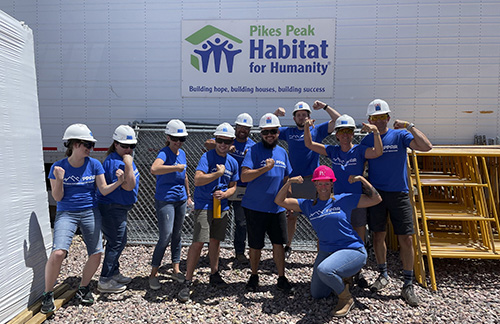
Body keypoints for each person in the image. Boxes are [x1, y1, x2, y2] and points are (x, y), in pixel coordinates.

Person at [275, 166, 382, 317]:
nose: (323, 187)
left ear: (332, 184)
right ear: (315, 185)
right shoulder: (308, 205)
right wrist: (289, 183)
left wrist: (362, 179)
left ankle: (346, 297)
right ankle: (340, 279)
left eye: (326, 183)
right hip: (327, 251)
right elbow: (279, 200)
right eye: (319, 183)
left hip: (352, 249)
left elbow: (376, 199)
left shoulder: (343, 199)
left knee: (325, 270)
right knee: (317, 293)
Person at [41, 124, 125, 314]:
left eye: (91, 145)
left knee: (96, 253)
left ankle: (84, 287)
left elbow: (103, 190)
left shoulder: (94, 164)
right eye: (86, 144)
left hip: (90, 211)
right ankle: (47, 293)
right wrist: (60, 180)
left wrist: (119, 182)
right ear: (74, 144)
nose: (90, 148)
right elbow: (58, 198)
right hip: (66, 213)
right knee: (58, 253)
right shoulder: (58, 167)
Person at [360, 99, 432, 306]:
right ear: (369, 120)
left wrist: (409, 125)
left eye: (383, 117)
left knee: (406, 239)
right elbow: (358, 162)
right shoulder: (367, 140)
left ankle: (407, 284)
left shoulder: (399, 135)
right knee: (378, 236)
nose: (380, 121)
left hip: (399, 193)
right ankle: (383, 274)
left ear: (389, 118)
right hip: (377, 195)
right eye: (375, 118)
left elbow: (426, 147)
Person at [303, 113, 383, 287]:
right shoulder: (333, 151)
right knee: (331, 235)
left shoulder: (360, 150)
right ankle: (331, 269)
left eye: (349, 131)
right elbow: (309, 144)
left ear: (353, 134)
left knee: (358, 234)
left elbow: (377, 152)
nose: (346, 135)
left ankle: (356, 272)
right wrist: (307, 128)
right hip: (336, 202)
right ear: (337, 135)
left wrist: (376, 133)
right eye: (342, 131)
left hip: (357, 200)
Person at [178, 122, 239, 302]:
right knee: (198, 241)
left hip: (222, 207)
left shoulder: (233, 162)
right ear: (215, 140)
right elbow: (197, 180)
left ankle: (214, 273)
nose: (223, 144)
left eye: (227, 142)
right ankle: (188, 280)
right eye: (220, 140)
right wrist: (217, 174)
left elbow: (234, 186)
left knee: (215, 241)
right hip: (204, 205)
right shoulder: (207, 157)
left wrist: (226, 193)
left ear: (231, 143)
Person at [274, 101, 341, 258]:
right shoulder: (289, 132)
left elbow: (339, 119)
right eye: (298, 115)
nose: (301, 117)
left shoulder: (316, 130)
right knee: (291, 216)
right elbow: (270, 129)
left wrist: (325, 106)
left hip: (313, 181)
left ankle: (322, 250)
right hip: (294, 181)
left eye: (304, 115)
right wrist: (276, 114)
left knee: (320, 215)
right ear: (294, 118)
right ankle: (288, 246)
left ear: (309, 117)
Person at [240, 113, 294, 293]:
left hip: (276, 207)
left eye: (273, 131)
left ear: (278, 132)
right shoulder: (253, 151)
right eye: (265, 132)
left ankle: (281, 277)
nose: (269, 135)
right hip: (255, 207)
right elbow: (244, 176)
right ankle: (254, 275)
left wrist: (286, 201)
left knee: (278, 243)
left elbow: (287, 177)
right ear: (261, 133)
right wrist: (265, 168)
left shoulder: (282, 152)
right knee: (255, 244)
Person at [204, 113, 256, 264]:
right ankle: (212, 251)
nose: (243, 130)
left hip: (241, 189)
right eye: (240, 127)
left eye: (246, 128)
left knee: (241, 222)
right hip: (223, 187)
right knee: (217, 218)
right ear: (236, 127)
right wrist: (224, 147)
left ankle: (239, 252)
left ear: (250, 130)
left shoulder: (252, 146)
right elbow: (207, 143)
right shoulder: (227, 139)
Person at [149, 119, 193, 290]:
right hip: (165, 199)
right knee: (165, 235)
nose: (178, 142)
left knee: (177, 234)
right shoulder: (164, 153)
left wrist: (188, 196)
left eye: (182, 139)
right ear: (168, 137)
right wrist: (175, 168)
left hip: (180, 199)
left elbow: (185, 175)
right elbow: (154, 169)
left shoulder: (181, 153)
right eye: (175, 138)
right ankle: (153, 273)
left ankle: (175, 268)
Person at [96, 125, 140, 293]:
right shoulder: (116, 162)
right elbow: (129, 186)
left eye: (132, 146)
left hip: (118, 207)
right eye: (124, 146)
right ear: (116, 144)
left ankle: (114, 273)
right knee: (116, 243)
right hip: (112, 207)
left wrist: (127, 161)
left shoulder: (121, 159)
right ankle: (105, 279)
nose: (128, 149)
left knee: (119, 242)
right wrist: (128, 163)